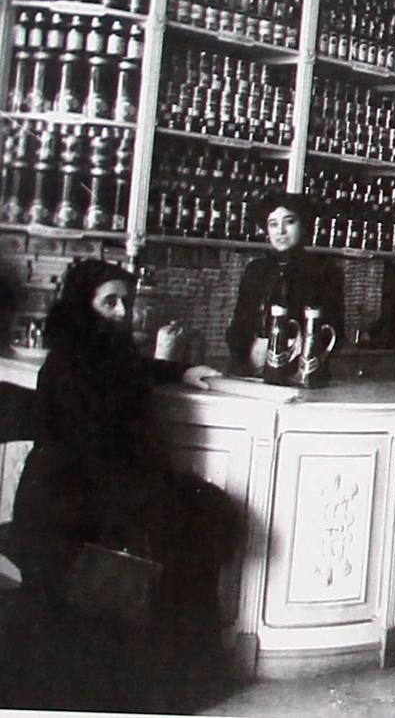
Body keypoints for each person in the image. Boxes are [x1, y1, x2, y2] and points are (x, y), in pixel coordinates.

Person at [10, 259, 235, 711]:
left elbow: (135, 371)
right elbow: (94, 448)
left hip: (102, 489)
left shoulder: (104, 353)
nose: (121, 312)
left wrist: (180, 371)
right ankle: (156, 680)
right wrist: (147, 495)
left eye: (126, 303)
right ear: (83, 305)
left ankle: (174, 673)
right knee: (184, 529)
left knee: (206, 518)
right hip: (65, 505)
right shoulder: (68, 363)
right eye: (109, 302)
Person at [224, 190, 344, 379]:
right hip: (252, 370)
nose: (280, 231)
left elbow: (335, 329)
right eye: (273, 224)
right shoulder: (255, 270)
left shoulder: (324, 270)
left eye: (289, 222)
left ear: (304, 224)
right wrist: (242, 358)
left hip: (303, 372)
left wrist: (305, 359)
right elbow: (240, 323)